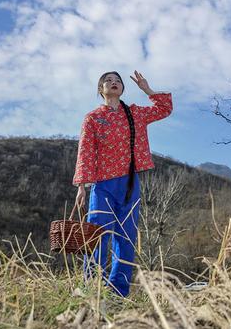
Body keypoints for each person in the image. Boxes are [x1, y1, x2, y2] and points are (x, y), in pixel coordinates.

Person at [73, 70, 172, 296]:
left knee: (126, 237)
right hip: (102, 185)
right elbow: (85, 152)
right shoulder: (93, 118)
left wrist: (148, 90)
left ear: (122, 89)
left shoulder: (134, 113)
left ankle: (119, 292)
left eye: (117, 81)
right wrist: (81, 187)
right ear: (101, 89)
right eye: (108, 81)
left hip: (129, 183)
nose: (113, 83)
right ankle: (92, 287)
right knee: (98, 234)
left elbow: (164, 109)